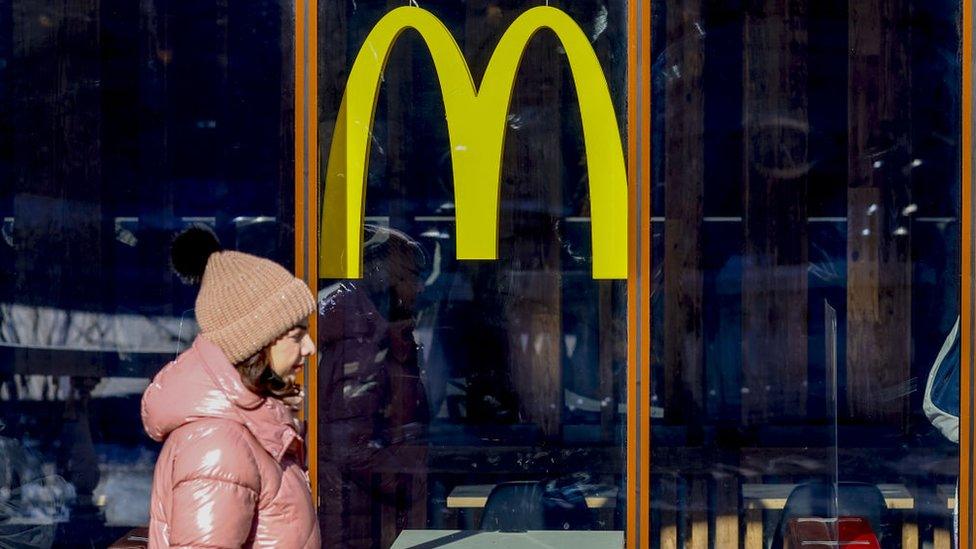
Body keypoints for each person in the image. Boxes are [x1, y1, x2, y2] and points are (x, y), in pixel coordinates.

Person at [141, 226, 320, 548]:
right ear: (255, 343)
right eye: (296, 336)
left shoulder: (250, 428)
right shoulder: (218, 446)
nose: (309, 347)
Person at [318, 225, 430, 548]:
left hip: (375, 514)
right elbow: (350, 446)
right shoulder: (360, 342)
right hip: (357, 521)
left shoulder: (383, 334)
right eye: (411, 276)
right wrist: (408, 476)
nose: (420, 287)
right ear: (386, 280)